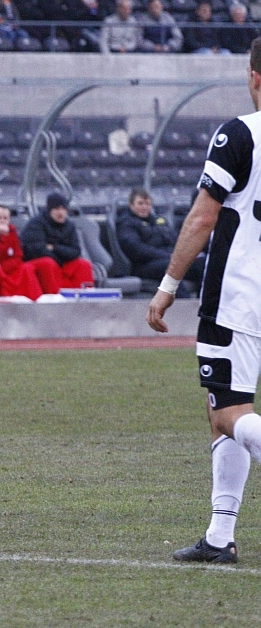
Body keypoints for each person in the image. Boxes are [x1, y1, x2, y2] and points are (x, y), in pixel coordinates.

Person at [147, 38, 261, 564]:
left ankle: (220, 535)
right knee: (223, 412)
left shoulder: (240, 133)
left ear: (253, 77)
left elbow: (202, 216)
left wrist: (168, 286)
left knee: (228, 413)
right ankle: (219, 536)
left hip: (239, 296)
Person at [117, 187, 204, 297]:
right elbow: (135, 249)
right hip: (143, 265)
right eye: (140, 203)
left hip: (168, 259)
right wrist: (168, 256)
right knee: (169, 266)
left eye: (148, 204)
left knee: (202, 264)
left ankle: (203, 301)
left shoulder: (158, 221)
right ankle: (183, 301)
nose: (144, 207)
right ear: (131, 205)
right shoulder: (126, 223)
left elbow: (175, 240)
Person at [21, 193, 95, 295]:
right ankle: (55, 298)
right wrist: (61, 257)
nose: (61, 212)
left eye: (63, 209)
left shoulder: (70, 226)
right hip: (41, 263)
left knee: (83, 264)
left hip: (60, 262)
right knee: (48, 263)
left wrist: (54, 248)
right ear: (49, 210)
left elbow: (76, 251)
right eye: (57, 209)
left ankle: (85, 297)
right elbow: (37, 250)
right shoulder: (35, 225)